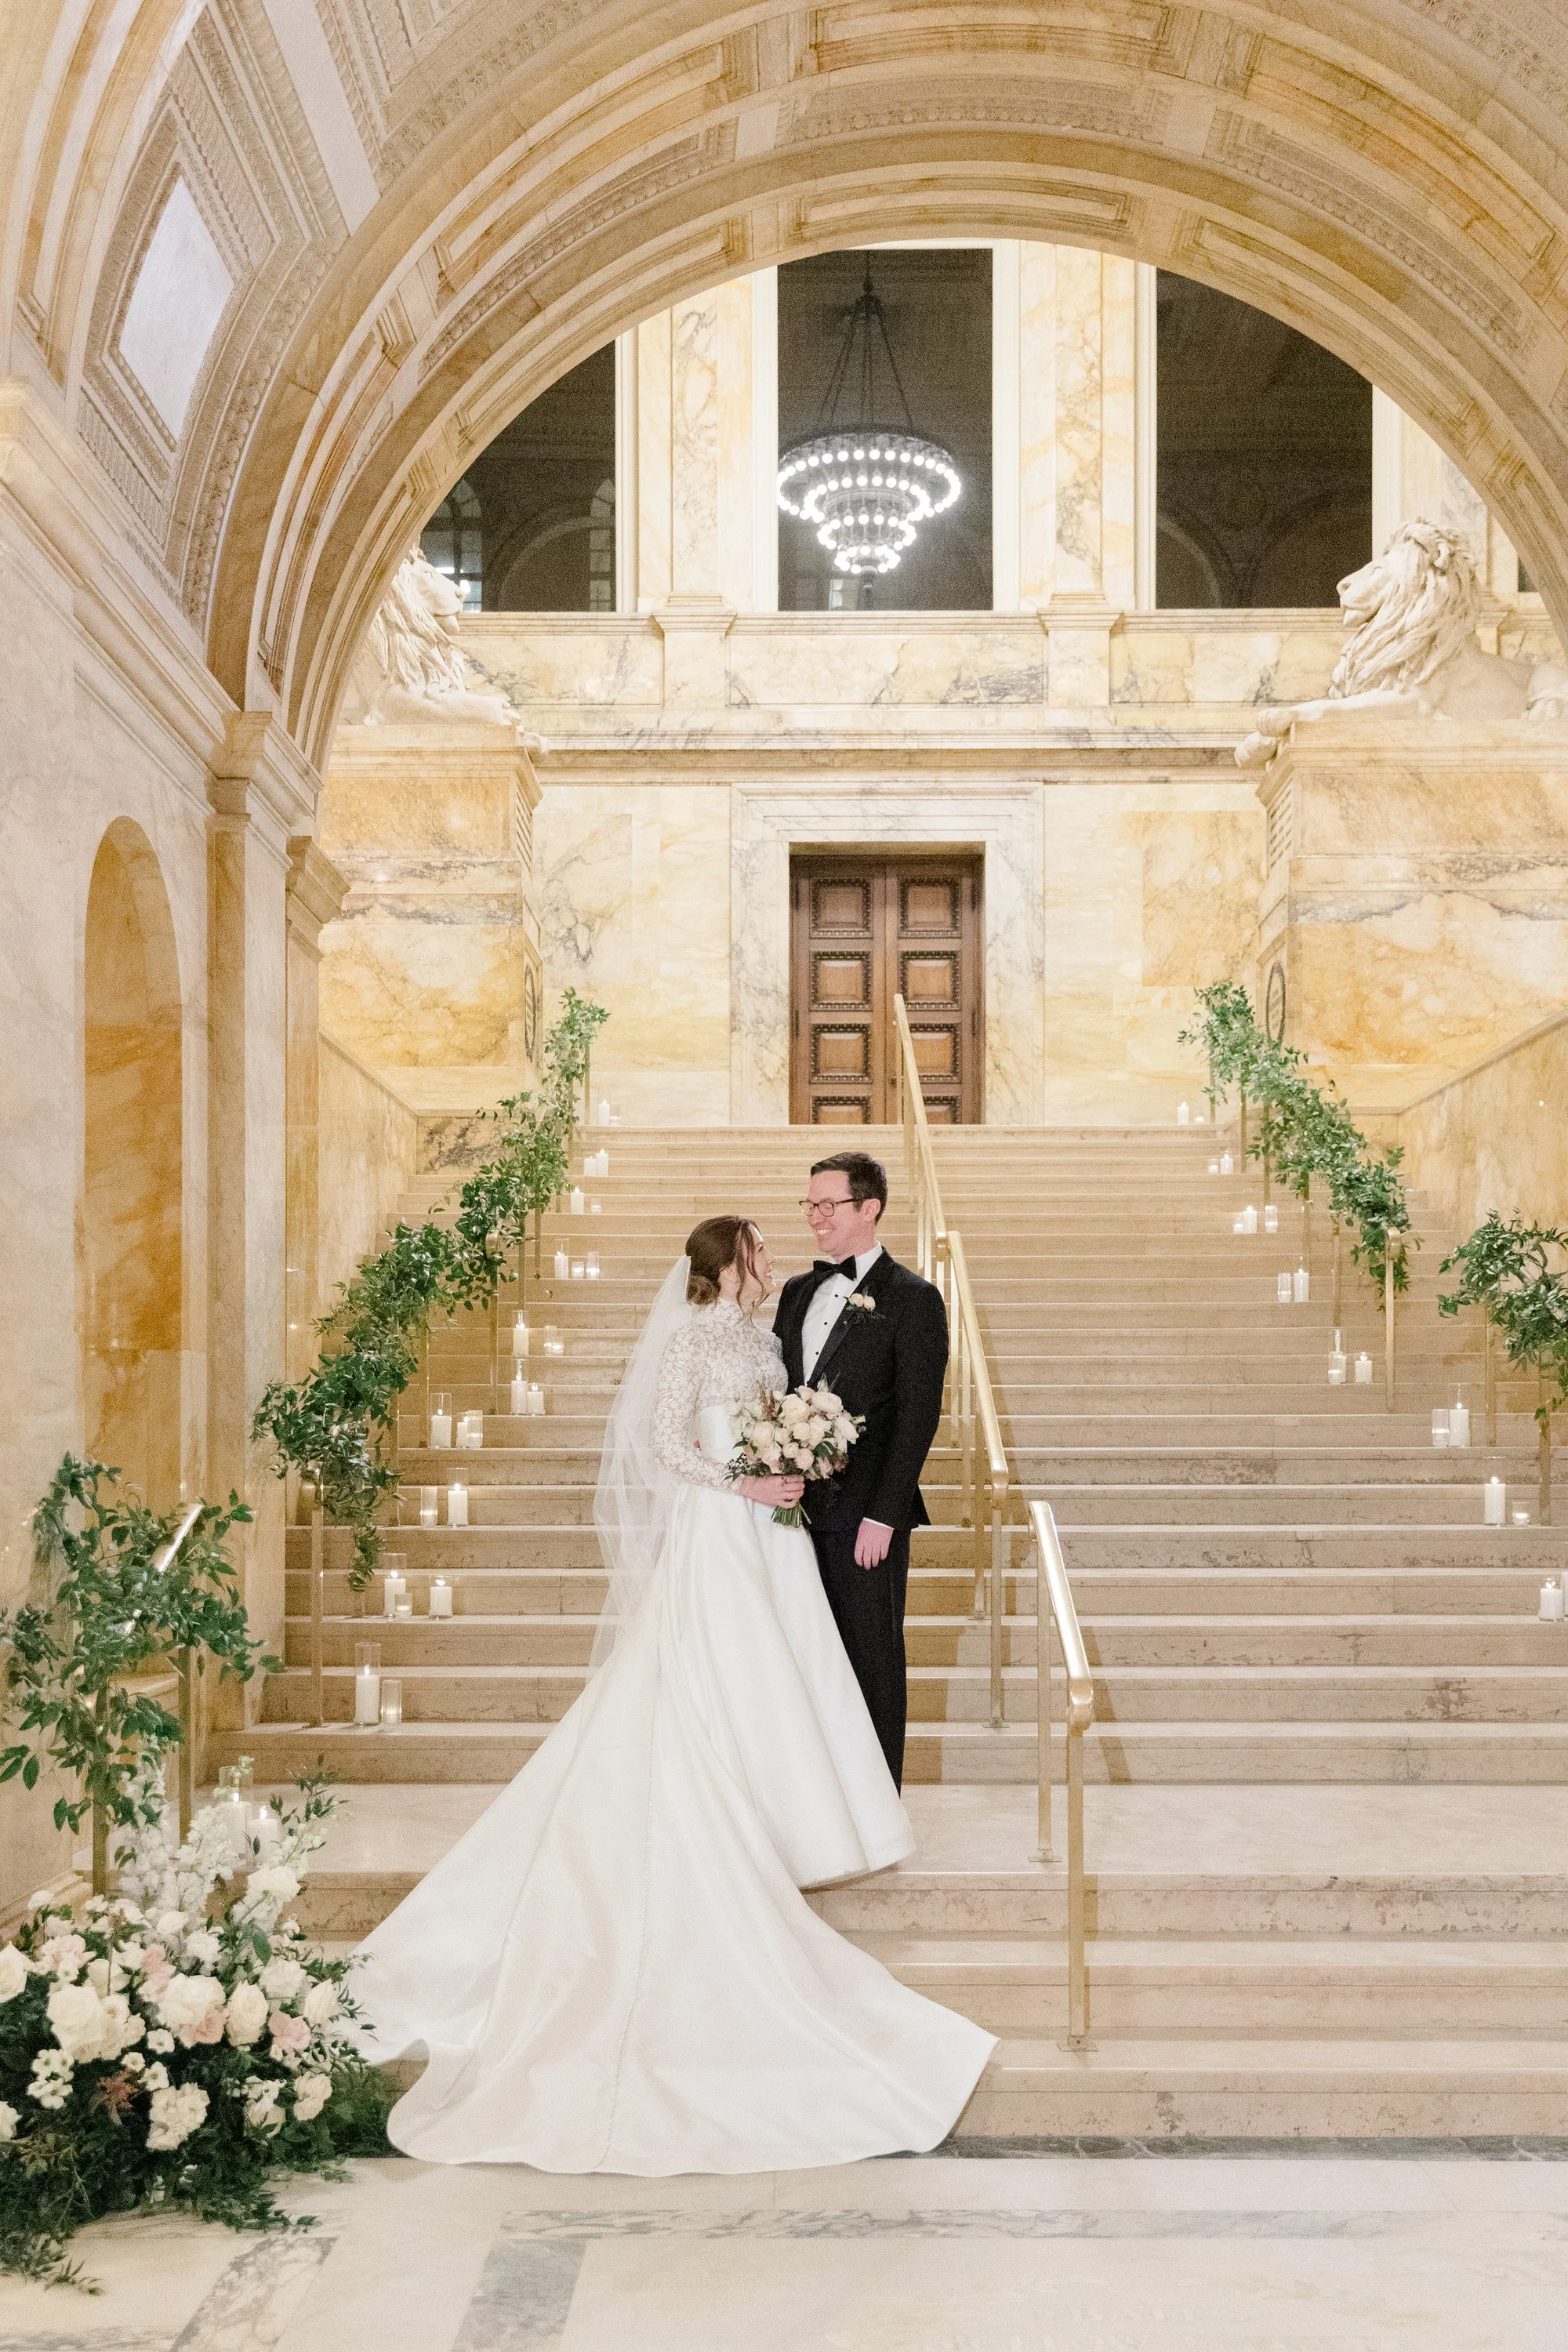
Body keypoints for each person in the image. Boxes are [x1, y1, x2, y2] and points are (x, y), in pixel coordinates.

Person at [354, 1214, 993, 2172]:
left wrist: (798, 1459)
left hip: (774, 1531)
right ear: (723, 1267)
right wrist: (748, 1480)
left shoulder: (761, 1333)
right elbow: (664, 1443)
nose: (773, 1263)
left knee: (787, 1675)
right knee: (719, 1674)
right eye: (757, 1253)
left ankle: (793, 1820)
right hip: (722, 1528)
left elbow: (787, 1410)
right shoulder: (696, 1334)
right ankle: (722, 1815)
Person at [773, 1153, 948, 1788]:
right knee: (806, 1658)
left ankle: (878, 1801)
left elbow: (918, 1416)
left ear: (869, 1207)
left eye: (829, 1205)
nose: (816, 1218)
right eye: (810, 1204)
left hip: (869, 1517)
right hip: (794, 1514)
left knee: (871, 1656)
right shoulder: (796, 1291)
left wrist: (884, 1512)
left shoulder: (915, 1299)